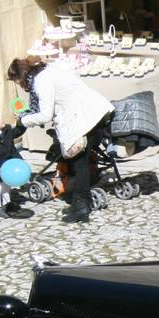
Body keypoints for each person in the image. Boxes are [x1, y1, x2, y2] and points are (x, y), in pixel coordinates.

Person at [7, 55, 114, 224]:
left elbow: (45, 114)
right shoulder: (46, 71)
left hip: (86, 119)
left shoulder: (41, 82)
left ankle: (81, 208)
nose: (21, 86)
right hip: (92, 114)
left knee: (80, 164)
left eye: (18, 82)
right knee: (80, 163)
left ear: (21, 76)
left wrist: (22, 120)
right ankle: (80, 202)